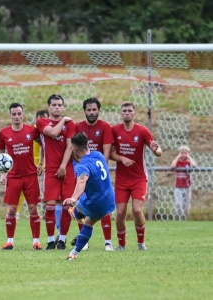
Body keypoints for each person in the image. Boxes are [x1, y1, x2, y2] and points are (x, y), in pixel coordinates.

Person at [110, 102, 162, 251]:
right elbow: (110, 153)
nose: (127, 113)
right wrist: (121, 158)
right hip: (121, 180)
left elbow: (157, 150)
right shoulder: (115, 130)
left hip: (139, 178)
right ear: (121, 113)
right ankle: (121, 244)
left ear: (134, 113)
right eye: (124, 111)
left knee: (137, 210)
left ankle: (141, 243)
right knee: (120, 212)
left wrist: (155, 150)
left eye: (129, 111)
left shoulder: (142, 131)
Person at [0, 103, 43, 250]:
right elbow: (1, 154)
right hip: (14, 176)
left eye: (19, 114)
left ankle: (36, 241)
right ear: (10, 116)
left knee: (33, 208)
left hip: (30, 175)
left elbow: (43, 145)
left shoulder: (31, 131)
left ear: (23, 114)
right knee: (11, 209)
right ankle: (10, 241)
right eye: (14, 114)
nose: (17, 117)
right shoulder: (4, 133)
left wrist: (41, 163)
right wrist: (3, 173)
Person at [63, 132, 115, 260]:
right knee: (88, 222)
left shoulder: (82, 166)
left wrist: (73, 198)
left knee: (81, 213)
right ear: (88, 144)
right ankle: (73, 253)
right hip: (109, 200)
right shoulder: (99, 155)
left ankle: (75, 213)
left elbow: (81, 181)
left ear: (74, 149)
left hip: (94, 203)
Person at [72, 97, 115, 251]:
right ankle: (84, 242)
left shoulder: (105, 127)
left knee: (96, 206)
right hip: (83, 170)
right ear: (84, 111)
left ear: (98, 110)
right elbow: (72, 148)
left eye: (94, 109)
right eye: (88, 110)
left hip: (97, 172)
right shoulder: (78, 127)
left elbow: (107, 151)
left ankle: (108, 242)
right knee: (83, 205)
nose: (91, 112)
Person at [36, 94, 76, 250]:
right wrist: (62, 120)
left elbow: (70, 146)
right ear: (49, 107)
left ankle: (62, 240)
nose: (57, 107)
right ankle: (51, 240)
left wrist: (63, 166)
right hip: (51, 169)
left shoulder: (70, 124)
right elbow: (52, 133)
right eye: (54, 105)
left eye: (60, 105)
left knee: (67, 205)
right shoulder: (42, 122)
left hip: (67, 168)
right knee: (50, 205)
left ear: (63, 107)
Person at [15, 109, 49, 220]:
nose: (41, 121)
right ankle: (16, 212)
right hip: (30, 164)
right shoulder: (31, 131)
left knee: (48, 189)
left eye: (44, 118)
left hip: (47, 163)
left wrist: (43, 164)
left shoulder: (51, 130)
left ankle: (47, 213)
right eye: (39, 119)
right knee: (21, 189)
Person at [170, 145, 196, 220]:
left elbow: (194, 165)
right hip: (178, 186)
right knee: (178, 203)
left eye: (185, 153)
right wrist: (178, 157)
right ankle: (179, 217)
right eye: (182, 152)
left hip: (187, 186)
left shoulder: (188, 162)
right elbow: (172, 166)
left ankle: (186, 217)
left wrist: (189, 157)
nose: (184, 154)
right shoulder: (177, 162)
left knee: (186, 204)